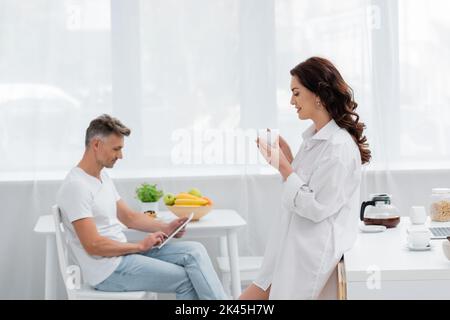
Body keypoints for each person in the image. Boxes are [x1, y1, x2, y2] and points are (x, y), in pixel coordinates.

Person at [240, 57, 371, 300]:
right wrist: (287, 162)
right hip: (289, 251)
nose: (292, 101)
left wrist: (284, 167)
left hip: (308, 256)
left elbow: (316, 207)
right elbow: (303, 190)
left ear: (318, 94)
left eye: (297, 93)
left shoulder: (339, 147)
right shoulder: (315, 139)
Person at [56, 114, 226, 299]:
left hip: (122, 255)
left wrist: (166, 227)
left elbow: (129, 218)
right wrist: (139, 246)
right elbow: (93, 245)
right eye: (116, 149)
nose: (120, 155)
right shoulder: (76, 186)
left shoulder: (102, 177)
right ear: (96, 145)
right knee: (186, 279)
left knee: (195, 251)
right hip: (107, 270)